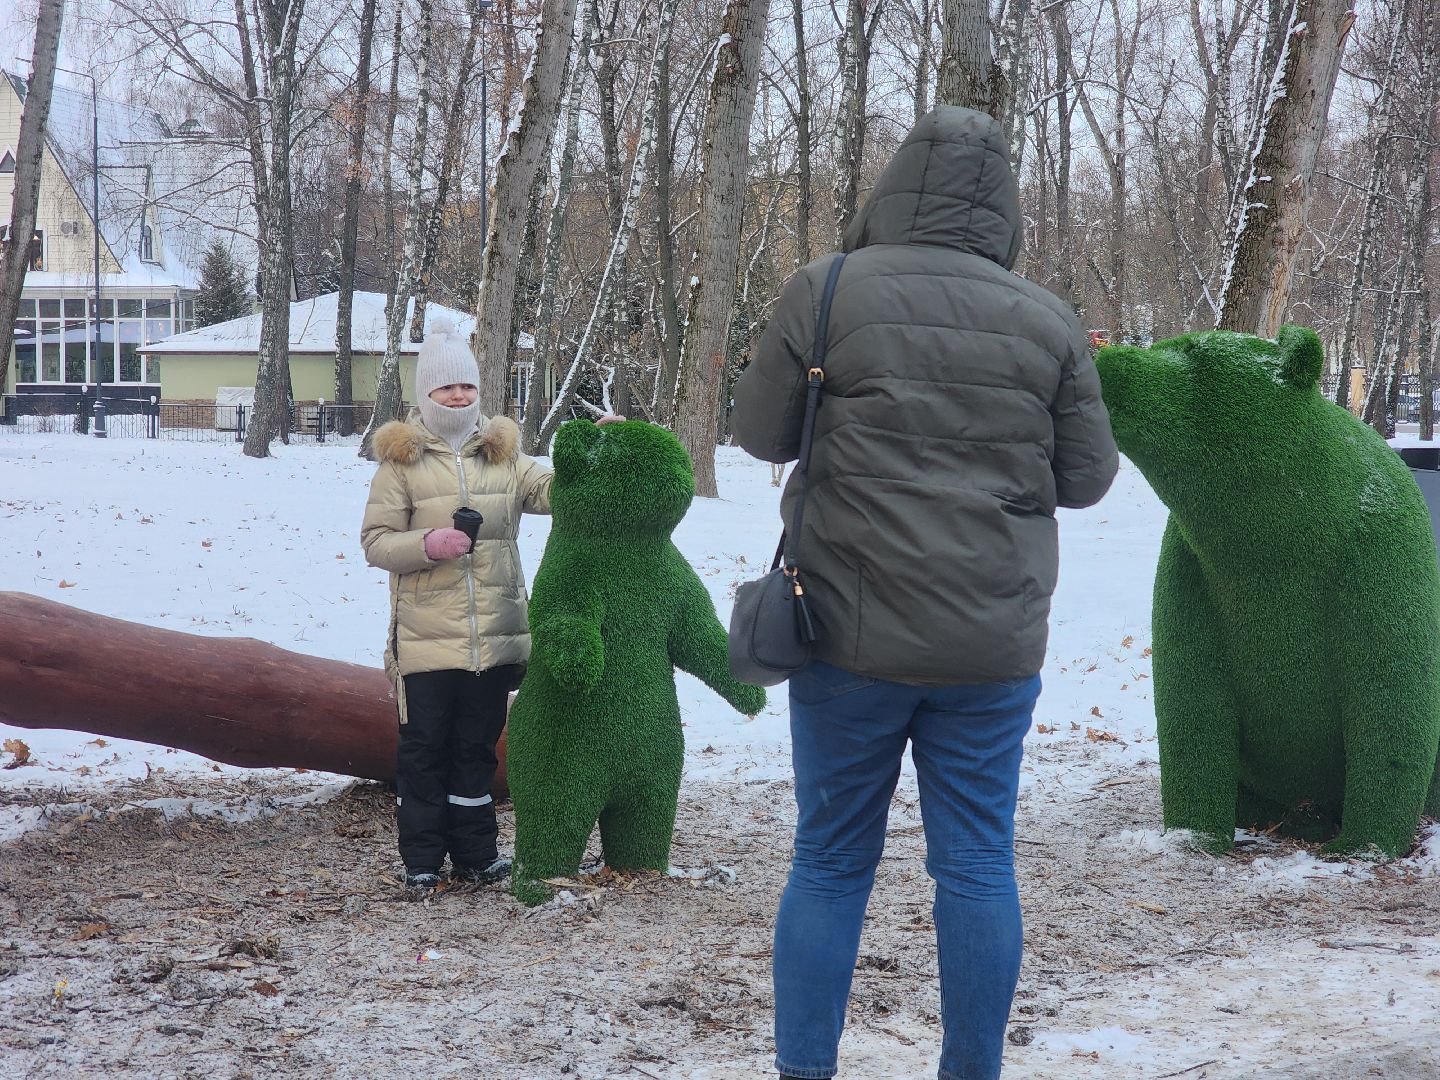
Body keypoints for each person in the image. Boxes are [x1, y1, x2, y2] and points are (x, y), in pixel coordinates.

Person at [730, 106, 1119, 1080]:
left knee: (827, 865)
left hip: (846, 642)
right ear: (1006, 210)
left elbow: (759, 432)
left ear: (893, 186)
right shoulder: (1047, 320)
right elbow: (1088, 478)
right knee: (979, 867)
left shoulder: (824, 293)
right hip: (990, 653)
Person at [360, 318, 553, 898]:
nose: (459, 396)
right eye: (447, 388)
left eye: (466, 387)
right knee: (423, 754)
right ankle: (421, 859)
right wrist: (428, 545)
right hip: (424, 642)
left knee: (475, 751)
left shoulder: (506, 457)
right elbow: (375, 543)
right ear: (426, 395)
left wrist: (600, 452)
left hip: (492, 638)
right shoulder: (401, 464)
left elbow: (554, 489)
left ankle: (475, 855)